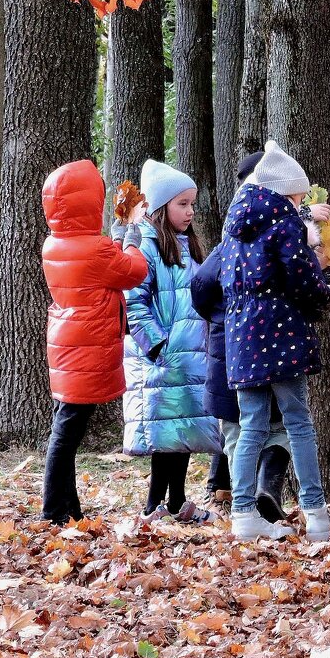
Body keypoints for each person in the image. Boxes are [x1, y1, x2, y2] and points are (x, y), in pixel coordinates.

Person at [192, 152, 330, 523]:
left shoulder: (234, 228)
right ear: (287, 193)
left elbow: (212, 283)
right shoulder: (286, 224)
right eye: (300, 196)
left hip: (241, 338)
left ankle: (242, 514)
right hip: (282, 334)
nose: (301, 203)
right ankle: (316, 511)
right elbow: (303, 281)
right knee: (298, 422)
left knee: (251, 424)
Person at [39, 160, 149, 525]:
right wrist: (131, 238)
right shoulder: (96, 247)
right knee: (67, 431)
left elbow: (106, 266)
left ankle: (68, 509)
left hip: (68, 342)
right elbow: (132, 271)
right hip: (85, 345)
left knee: (66, 426)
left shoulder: (55, 244)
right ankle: (55, 510)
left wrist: (117, 237)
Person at [124, 159, 222, 525]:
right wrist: (156, 344)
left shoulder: (188, 245)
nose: (190, 211)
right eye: (182, 204)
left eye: (192, 203)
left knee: (183, 427)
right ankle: (154, 505)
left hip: (191, 353)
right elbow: (134, 300)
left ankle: (177, 500)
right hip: (163, 356)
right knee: (165, 429)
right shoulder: (146, 247)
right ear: (161, 206)